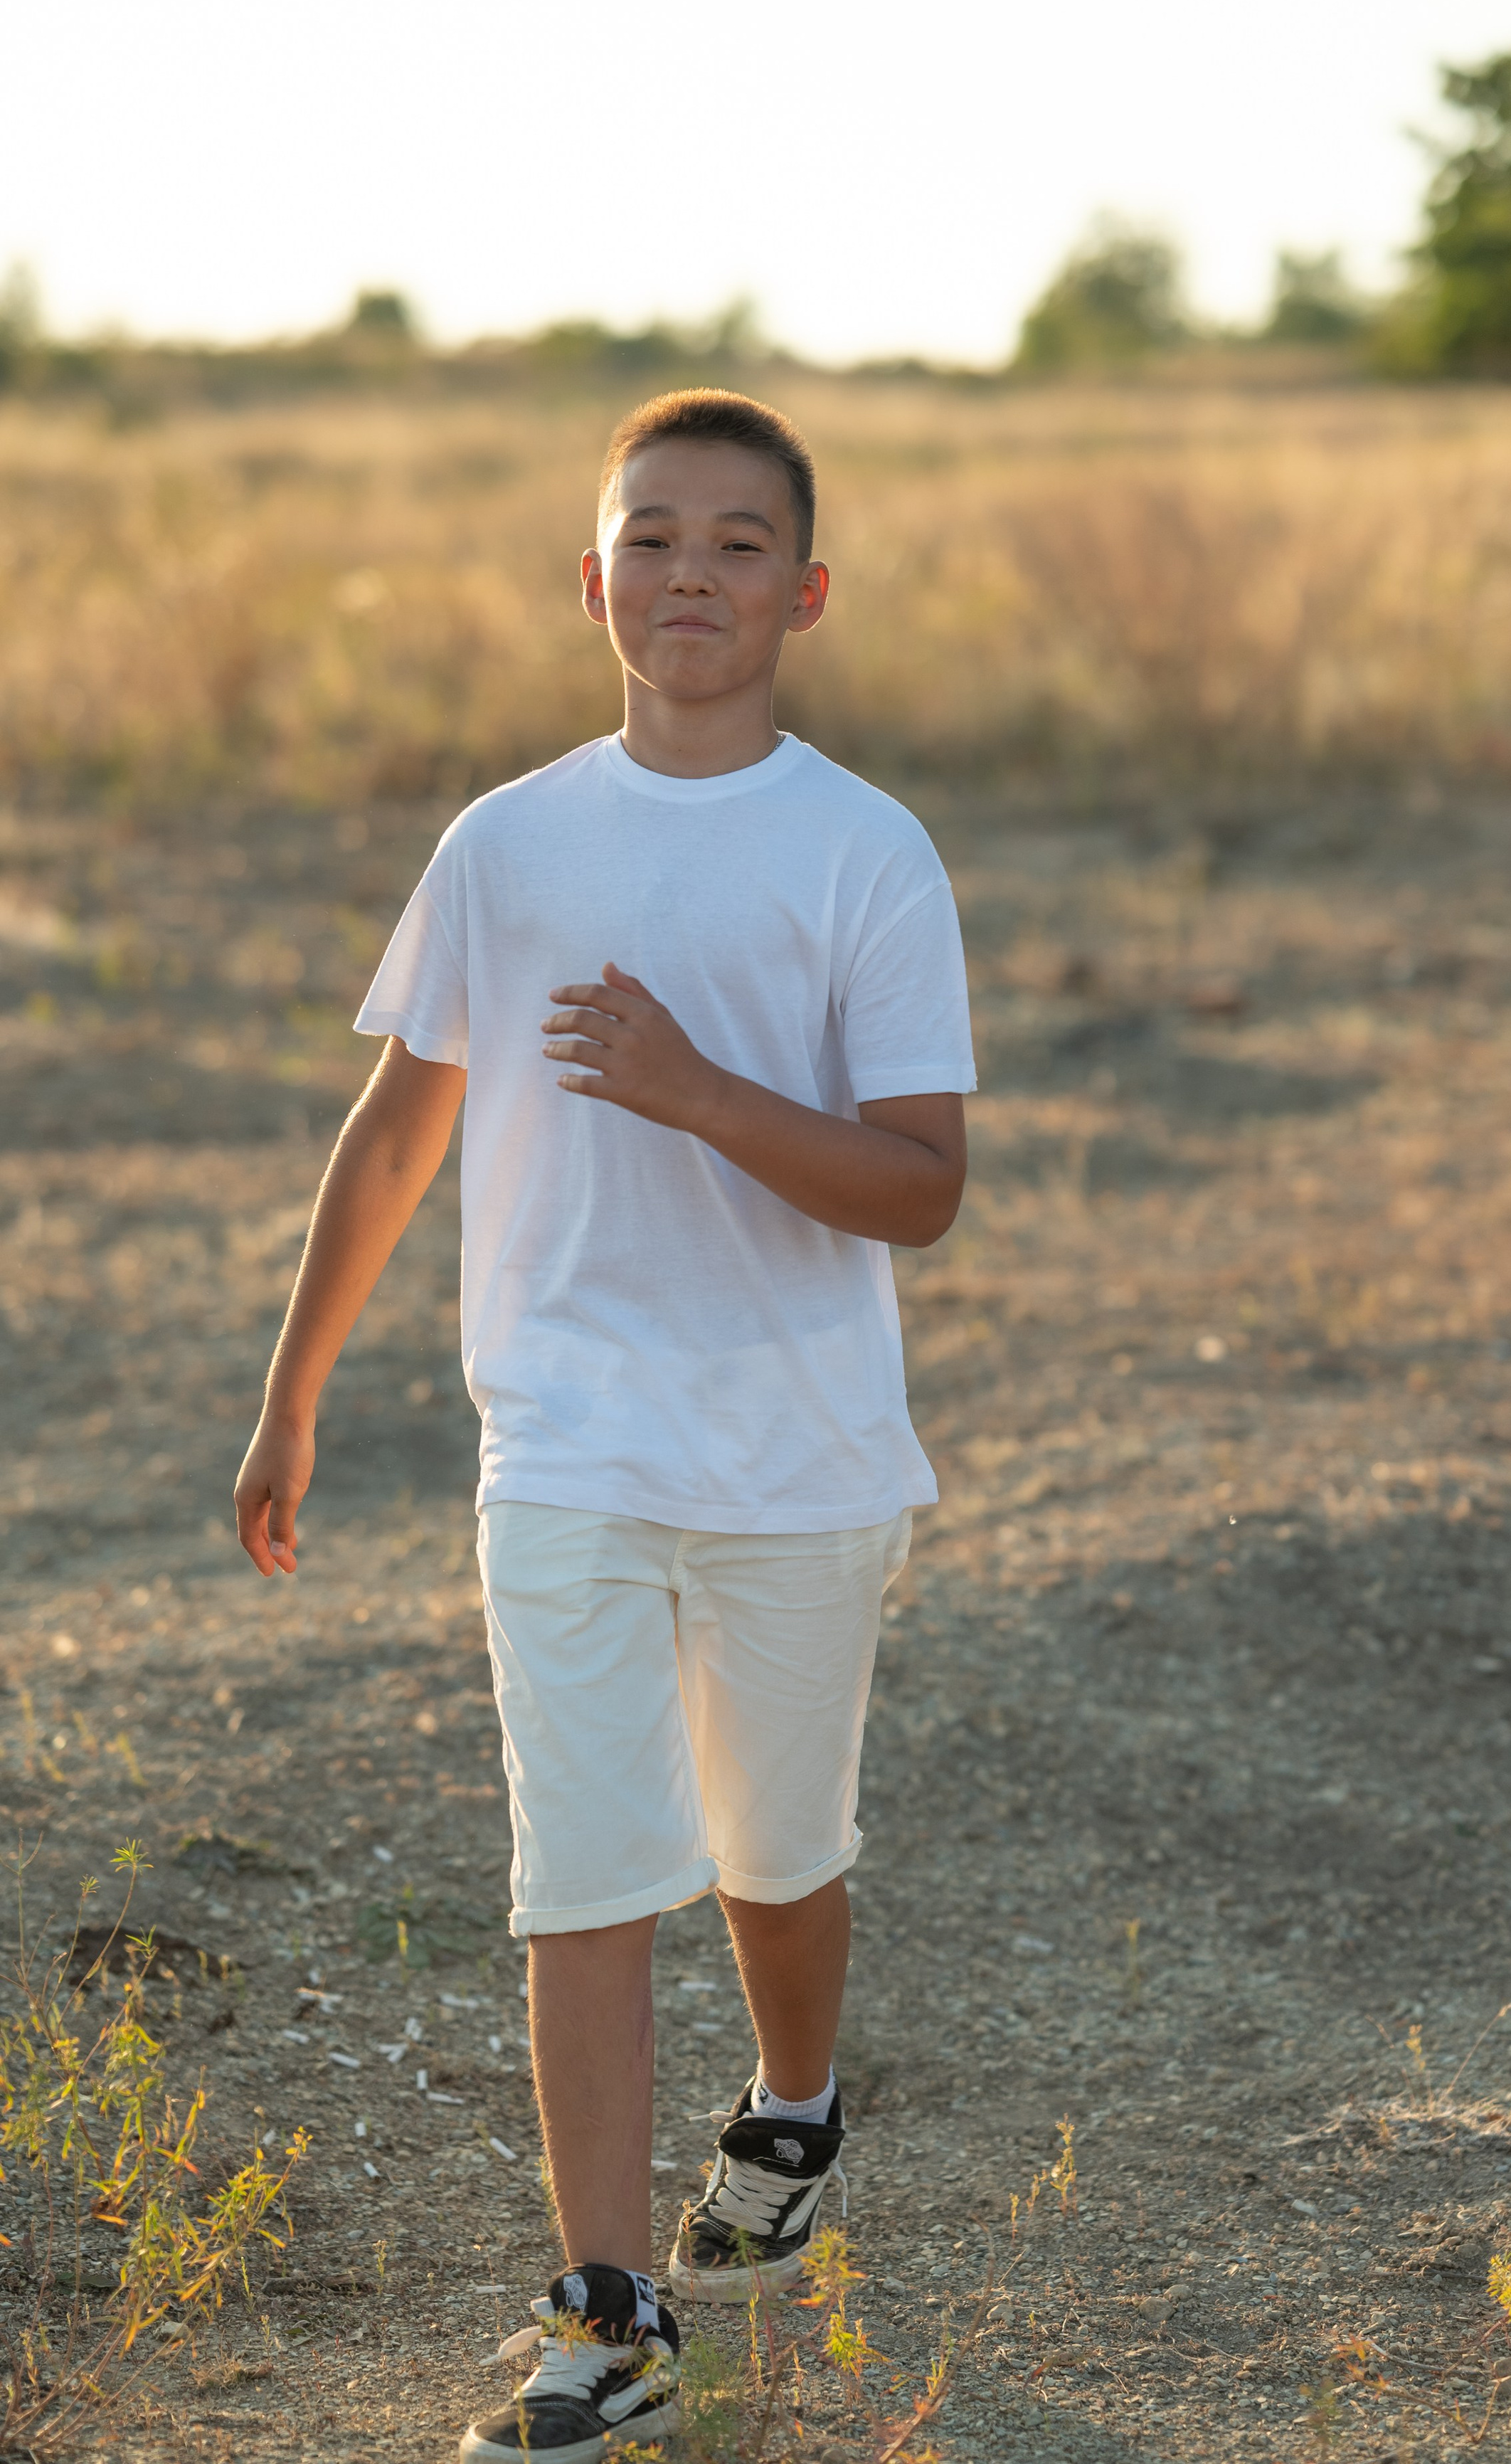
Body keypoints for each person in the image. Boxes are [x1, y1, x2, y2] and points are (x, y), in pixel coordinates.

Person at [231, 389, 975, 2459]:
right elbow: (398, 1134)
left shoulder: (864, 851)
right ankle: (608, 2309)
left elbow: (922, 1181)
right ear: (593, 580)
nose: (691, 575)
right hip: (560, 1437)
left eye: (740, 543)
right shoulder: (508, 839)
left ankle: (798, 2105)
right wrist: (290, 1398)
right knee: (584, 1866)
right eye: (651, 537)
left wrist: (695, 1085)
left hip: (800, 1454)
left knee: (778, 1845)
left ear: (805, 591)